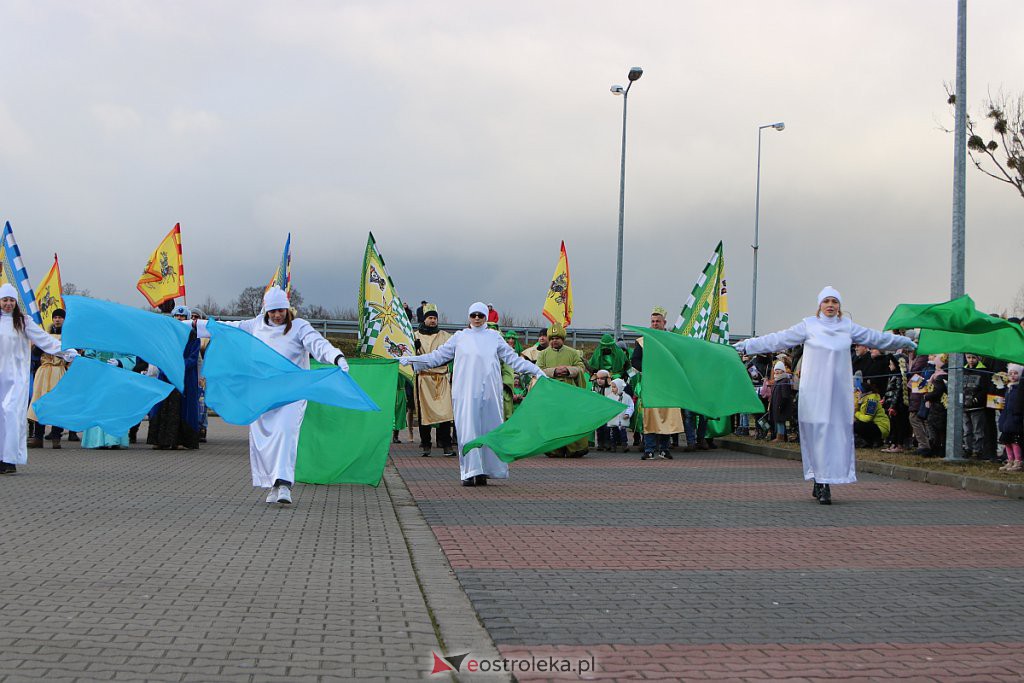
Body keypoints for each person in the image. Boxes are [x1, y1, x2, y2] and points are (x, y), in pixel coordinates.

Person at [734, 286, 915, 505]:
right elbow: (778, 339)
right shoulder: (808, 325)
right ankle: (820, 481)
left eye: (834, 302)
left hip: (838, 393)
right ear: (819, 305)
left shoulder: (848, 327)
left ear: (839, 307)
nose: (830, 305)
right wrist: (747, 345)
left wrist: (903, 342)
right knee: (816, 433)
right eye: (826, 301)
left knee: (834, 434)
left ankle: (825, 479)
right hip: (814, 392)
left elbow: (876, 338)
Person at [194, 287, 350, 505]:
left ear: (287, 309)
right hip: (262, 393)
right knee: (263, 439)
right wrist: (191, 325)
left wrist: (337, 357)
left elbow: (318, 344)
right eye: (273, 311)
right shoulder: (255, 325)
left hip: (292, 393)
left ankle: (284, 484)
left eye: (281, 311)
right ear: (266, 310)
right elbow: (225, 329)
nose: (277, 315)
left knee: (286, 433)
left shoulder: (299, 327)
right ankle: (272, 484)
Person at [400, 302, 545, 486]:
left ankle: (485, 470)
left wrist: (536, 371)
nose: (477, 318)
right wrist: (411, 360)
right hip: (465, 393)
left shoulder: (494, 337)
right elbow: (437, 356)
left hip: (490, 394)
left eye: (480, 315)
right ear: (469, 316)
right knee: (468, 431)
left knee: (489, 431)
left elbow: (513, 360)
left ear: (485, 316)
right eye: (473, 315)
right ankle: (469, 471)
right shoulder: (460, 337)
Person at [2, 285, 76, 473]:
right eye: (5, 300)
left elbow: (45, 340)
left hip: (16, 378)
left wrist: (67, 352)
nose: (8, 304)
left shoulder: (23, 321)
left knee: (11, 415)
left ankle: (9, 459)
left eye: (11, 300)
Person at [631, 306, 684, 461]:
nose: (655, 324)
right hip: (651, 384)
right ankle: (649, 449)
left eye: (658, 321)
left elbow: (678, 360)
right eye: (653, 321)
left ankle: (664, 449)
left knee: (667, 416)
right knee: (650, 416)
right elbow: (635, 360)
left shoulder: (672, 340)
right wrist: (648, 370)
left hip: (667, 385)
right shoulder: (642, 341)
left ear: (664, 322)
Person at [147, 305, 202, 451]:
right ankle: (160, 440)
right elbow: (161, 354)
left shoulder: (193, 335)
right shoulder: (166, 335)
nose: (179, 319)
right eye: (177, 316)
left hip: (184, 377)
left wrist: (178, 366)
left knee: (182, 408)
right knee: (163, 406)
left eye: (182, 316)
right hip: (166, 376)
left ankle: (180, 441)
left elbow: (193, 357)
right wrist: (168, 366)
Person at [537, 323, 589, 457]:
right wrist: (554, 371)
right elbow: (537, 371)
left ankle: (575, 448)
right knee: (553, 420)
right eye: (552, 338)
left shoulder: (573, 352)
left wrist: (568, 370)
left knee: (570, 420)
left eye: (557, 338)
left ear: (563, 339)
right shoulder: (543, 354)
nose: (554, 341)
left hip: (569, 392)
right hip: (551, 393)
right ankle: (554, 449)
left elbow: (581, 368)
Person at [413, 304, 455, 457]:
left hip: (441, 378)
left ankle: (447, 445)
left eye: (434, 318)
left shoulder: (445, 336)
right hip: (424, 379)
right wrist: (414, 348)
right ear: (424, 319)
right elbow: (409, 355)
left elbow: (454, 351)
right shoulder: (415, 335)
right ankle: (426, 444)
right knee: (425, 414)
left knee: (445, 413)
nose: (432, 321)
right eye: (430, 318)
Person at [79, 350, 138, 450]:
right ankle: (97, 440)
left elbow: (131, 357)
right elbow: (88, 356)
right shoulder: (96, 338)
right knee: (99, 407)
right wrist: (97, 364)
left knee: (114, 407)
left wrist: (119, 362)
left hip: (117, 377)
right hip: (99, 377)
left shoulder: (124, 338)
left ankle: (114, 439)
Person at [27, 308, 68, 449]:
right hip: (44, 371)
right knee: (40, 402)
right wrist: (41, 343)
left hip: (59, 370)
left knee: (58, 404)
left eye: (60, 317)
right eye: (55, 317)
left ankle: (56, 436)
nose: (57, 319)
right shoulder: (44, 334)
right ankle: (38, 437)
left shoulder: (69, 335)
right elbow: (36, 353)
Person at [962, 354, 992, 459]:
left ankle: (977, 450)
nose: (971, 360)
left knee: (977, 429)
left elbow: (985, 389)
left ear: (978, 358)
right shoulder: (963, 370)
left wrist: (976, 399)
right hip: (964, 405)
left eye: (973, 358)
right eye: (968, 358)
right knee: (966, 430)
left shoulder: (983, 371)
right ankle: (967, 449)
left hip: (977, 406)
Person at [998, 364, 1023, 471]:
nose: (1013, 376)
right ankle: (1010, 460)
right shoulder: (1008, 388)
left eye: (1016, 373)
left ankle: (1018, 461)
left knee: (1015, 441)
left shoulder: (1019, 389)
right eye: (1010, 374)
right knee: (1006, 441)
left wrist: (1017, 416)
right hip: (1007, 419)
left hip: (1015, 419)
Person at [854, 379, 890, 448]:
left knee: (856, 425)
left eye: (858, 390)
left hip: (881, 427)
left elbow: (868, 418)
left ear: (863, 391)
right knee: (857, 424)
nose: (856, 392)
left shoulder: (872, 401)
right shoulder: (863, 399)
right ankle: (869, 442)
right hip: (874, 425)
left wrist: (856, 413)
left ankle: (876, 440)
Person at [768, 360, 795, 443]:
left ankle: (781, 437)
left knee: (780, 422)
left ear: (783, 370)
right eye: (776, 369)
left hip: (781, 406)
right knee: (778, 421)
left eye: (779, 369)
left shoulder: (784, 381)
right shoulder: (778, 381)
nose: (776, 371)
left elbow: (785, 396)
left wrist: (781, 405)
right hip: (776, 405)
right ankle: (779, 436)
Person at [607, 378, 635, 453]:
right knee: (613, 434)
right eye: (612, 387)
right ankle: (613, 445)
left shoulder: (627, 397)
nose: (612, 389)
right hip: (613, 419)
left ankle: (624, 445)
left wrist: (628, 414)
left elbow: (630, 406)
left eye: (614, 387)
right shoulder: (610, 397)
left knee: (623, 433)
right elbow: (607, 407)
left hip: (622, 418)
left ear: (619, 387)